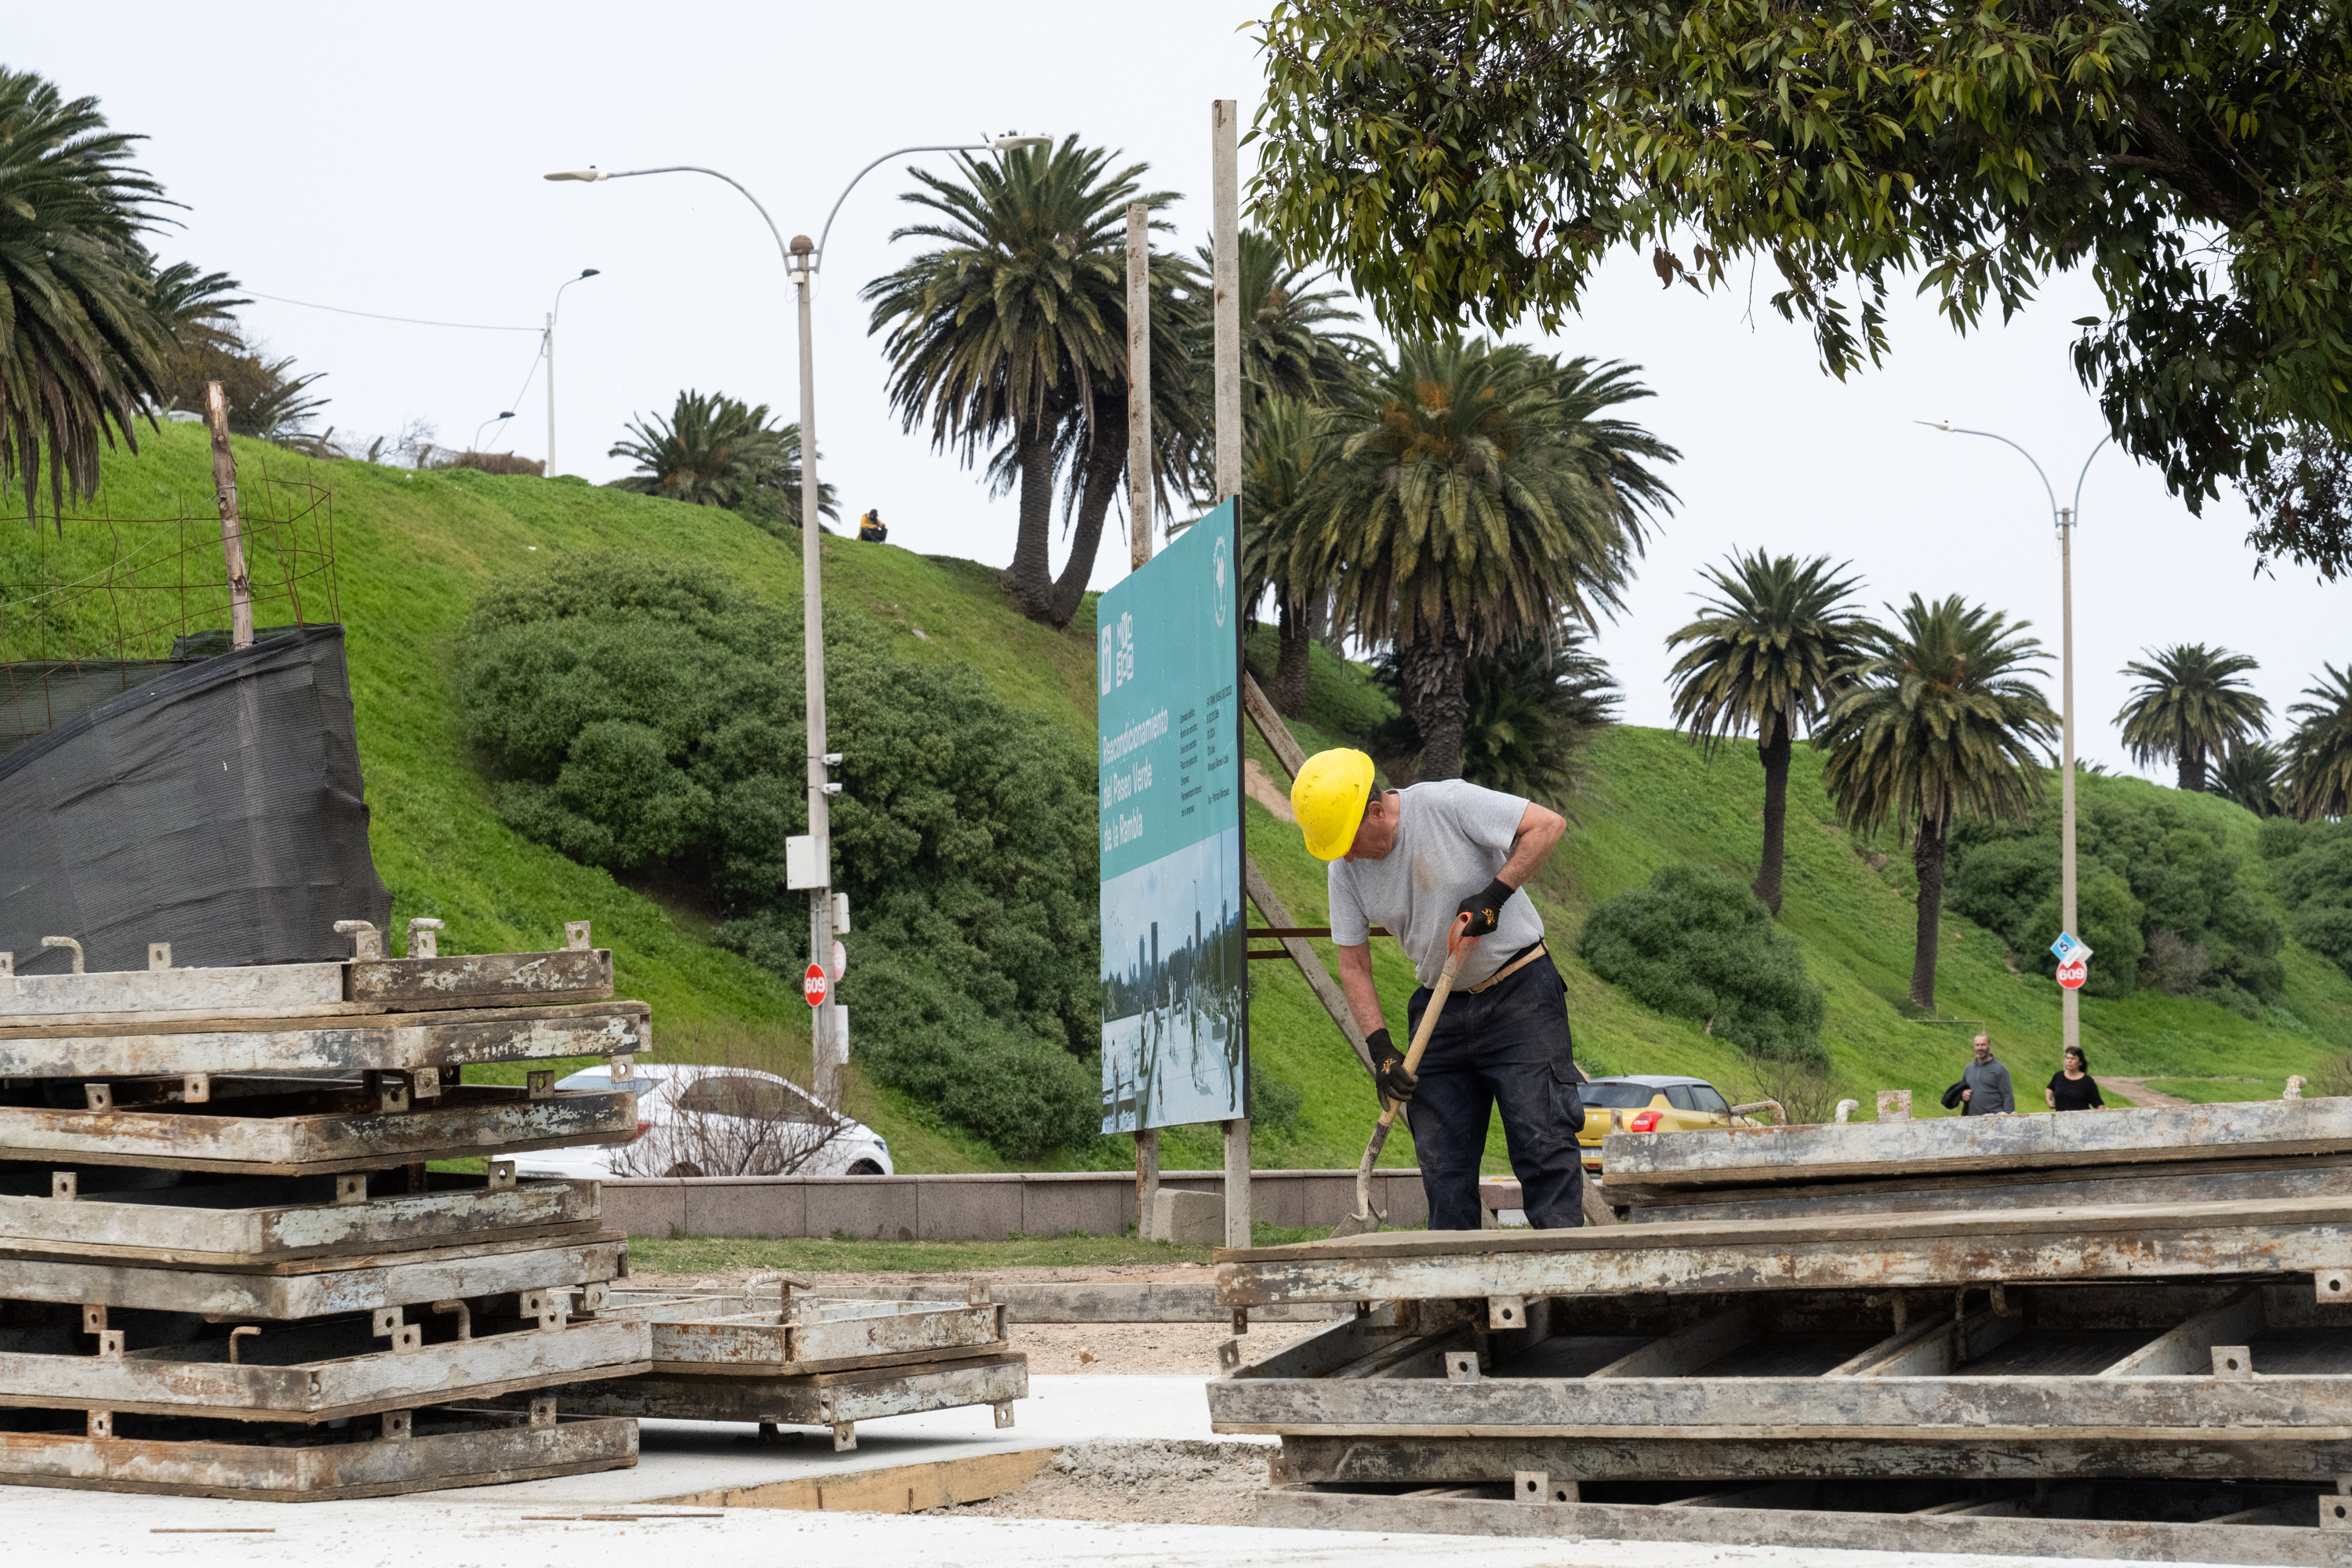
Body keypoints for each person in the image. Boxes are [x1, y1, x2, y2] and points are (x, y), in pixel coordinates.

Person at [1290, 747, 1581, 1231]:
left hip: (1521, 994)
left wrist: (1495, 896)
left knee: (1543, 1146)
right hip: (1440, 1010)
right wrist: (1381, 1050)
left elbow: (1547, 826)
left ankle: (1566, 1289)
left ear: (1378, 810)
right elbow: (1354, 964)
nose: (1345, 853)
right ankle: (1454, 1297)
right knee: (1444, 1172)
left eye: (1348, 839)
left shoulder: (1447, 804)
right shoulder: (1343, 869)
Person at [1958, 1033, 2016, 1116]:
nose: (1980, 1048)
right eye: (1977, 1045)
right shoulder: (1969, 1069)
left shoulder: (1999, 1069)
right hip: (1972, 1120)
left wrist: (2009, 1120)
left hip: (1994, 1121)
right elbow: (1961, 1090)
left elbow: (2007, 1097)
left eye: (1983, 1045)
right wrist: (1962, 1095)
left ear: (1989, 1046)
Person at [2046, 1045, 2105, 1112]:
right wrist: (2048, 1100)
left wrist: (2103, 1118)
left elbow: (2099, 1104)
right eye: (2068, 1058)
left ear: (2080, 1063)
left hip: (2081, 1120)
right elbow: (2050, 1088)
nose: (2069, 1061)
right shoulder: (2058, 1076)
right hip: (2061, 1120)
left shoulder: (2087, 1081)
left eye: (2073, 1059)